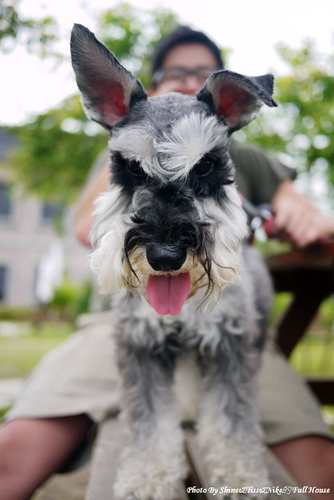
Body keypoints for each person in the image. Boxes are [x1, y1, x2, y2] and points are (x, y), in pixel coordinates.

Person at [1, 26, 334, 500]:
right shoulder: (125, 131)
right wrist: (138, 139)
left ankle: (233, 455)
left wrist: (296, 213)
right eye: (173, 72)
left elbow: (310, 215)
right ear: (135, 91)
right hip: (124, 321)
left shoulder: (250, 157)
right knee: (11, 457)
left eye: (199, 72)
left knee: (323, 473)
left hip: (234, 327)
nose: (185, 81)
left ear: (230, 102)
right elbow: (82, 226)